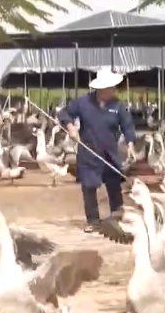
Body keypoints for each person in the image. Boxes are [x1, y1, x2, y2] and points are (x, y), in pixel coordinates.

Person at [58, 67, 137, 233]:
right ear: (101, 88)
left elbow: (127, 125)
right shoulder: (83, 102)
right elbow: (64, 114)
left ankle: (117, 218)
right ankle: (93, 221)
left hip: (110, 154)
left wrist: (130, 143)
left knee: (114, 188)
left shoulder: (118, 105)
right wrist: (71, 127)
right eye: (110, 88)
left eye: (113, 87)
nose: (113, 90)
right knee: (89, 187)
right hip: (88, 152)